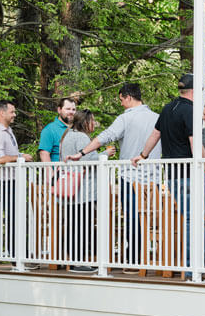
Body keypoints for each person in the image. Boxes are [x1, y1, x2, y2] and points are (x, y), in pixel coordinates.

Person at [66, 83, 159, 268]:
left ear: (128, 97)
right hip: (153, 177)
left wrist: (82, 153)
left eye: (122, 100)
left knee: (133, 217)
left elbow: (107, 136)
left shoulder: (126, 118)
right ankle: (147, 257)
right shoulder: (157, 117)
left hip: (130, 176)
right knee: (149, 218)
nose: (121, 104)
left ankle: (133, 259)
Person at [132, 73, 196, 268]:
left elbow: (156, 133)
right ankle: (192, 262)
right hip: (188, 172)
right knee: (192, 218)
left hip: (171, 173)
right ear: (193, 91)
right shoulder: (191, 111)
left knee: (187, 217)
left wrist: (143, 155)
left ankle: (191, 261)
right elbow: (194, 141)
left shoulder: (167, 109)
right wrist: (203, 166)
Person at [58, 109, 115, 272]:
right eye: (92, 121)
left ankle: (73, 257)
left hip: (71, 188)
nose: (94, 124)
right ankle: (78, 261)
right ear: (85, 122)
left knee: (72, 223)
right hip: (83, 190)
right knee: (82, 224)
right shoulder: (81, 137)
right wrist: (106, 153)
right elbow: (88, 159)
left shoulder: (67, 136)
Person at [0, 100, 32, 258]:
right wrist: (20, 157)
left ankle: (22, 253)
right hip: (5, 183)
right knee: (13, 219)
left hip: (14, 181)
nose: (14, 115)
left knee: (20, 217)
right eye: (12, 112)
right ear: (2, 113)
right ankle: (15, 255)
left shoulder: (8, 130)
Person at [38, 97, 76, 162]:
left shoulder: (77, 128)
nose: (71, 112)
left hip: (78, 170)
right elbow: (44, 154)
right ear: (59, 110)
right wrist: (50, 172)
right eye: (68, 109)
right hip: (58, 171)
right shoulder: (49, 129)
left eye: (73, 109)